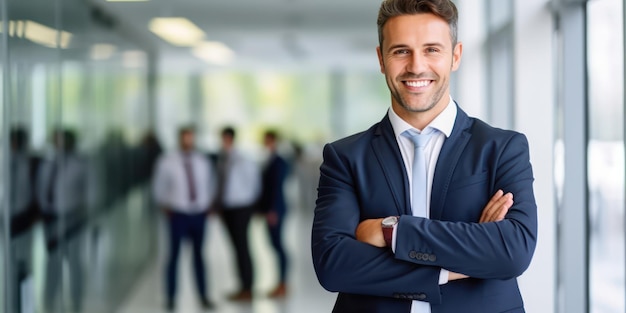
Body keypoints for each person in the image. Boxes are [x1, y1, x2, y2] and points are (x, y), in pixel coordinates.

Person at [311, 1, 538, 312]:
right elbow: (333, 265)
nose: (416, 66)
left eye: (432, 49)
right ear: (381, 58)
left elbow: (512, 251)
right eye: (401, 51)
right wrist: (464, 262)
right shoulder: (345, 157)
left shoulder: (502, 148)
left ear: (455, 56)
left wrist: (393, 231)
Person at [152, 126, 216, 311]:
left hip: (199, 214)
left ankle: (203, 296)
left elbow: (209, 184)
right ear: (180, 139)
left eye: (191, 138)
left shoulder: (202, 161)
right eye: (185, 138)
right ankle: (171, 297)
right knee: (173, 257)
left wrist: (208, 205)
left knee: (199, 257)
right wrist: (166, 207)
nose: (188, 141)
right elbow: (158, 188)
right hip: (178, 214)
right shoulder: (166, 161)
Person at [36, 128, 88, 313]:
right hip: (51, 219)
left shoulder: (80, 164)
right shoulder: (48, 163)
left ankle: (76, 300)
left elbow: (90, 194)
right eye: (56, 141)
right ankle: (49, 299)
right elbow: (40, 190)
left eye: (62, 141)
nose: (59, 144)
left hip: (73, 219)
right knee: (52, 262)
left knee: (74, 263)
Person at [212, 126, 261, 301]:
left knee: (242, 246)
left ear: (230, 138)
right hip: (227, 208)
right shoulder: (223, 159)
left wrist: (253, 205)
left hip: (241, 207)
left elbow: (254, 183)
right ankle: (242, 285)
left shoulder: (243, 159)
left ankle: (248, 287)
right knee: (236, 247)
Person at [257, 130, 290, 298]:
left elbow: (276, 188)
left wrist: (272, 210)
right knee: (274, 244)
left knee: (278, 245)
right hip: (270, 209)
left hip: (275, 210)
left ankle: (283, 283)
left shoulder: (279, 162)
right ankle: (281, 282)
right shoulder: (269, 160)